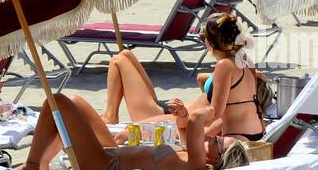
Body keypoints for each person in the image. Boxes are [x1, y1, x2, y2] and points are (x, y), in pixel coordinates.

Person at [101, 13, 268, 149]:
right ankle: (109, 115)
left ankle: (110, 116)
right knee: (125, 55)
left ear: (210, 43)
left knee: (119, 60)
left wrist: (190, 116)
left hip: (172, 117)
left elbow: (214, 113)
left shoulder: (224, 65)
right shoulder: (245, 60)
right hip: (251, 131)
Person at [18, 93, 216, 170]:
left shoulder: (196, 163)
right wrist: (182, 113)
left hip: (102, 165)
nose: (214, 137)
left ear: (215, 158)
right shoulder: (190, 154)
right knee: (75, 102)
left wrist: (213, 111)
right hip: (110, 151)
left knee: (57, 101)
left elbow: (196, 118)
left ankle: (34, 165)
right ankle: (43, 162)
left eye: (218, 142)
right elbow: (185, 123)